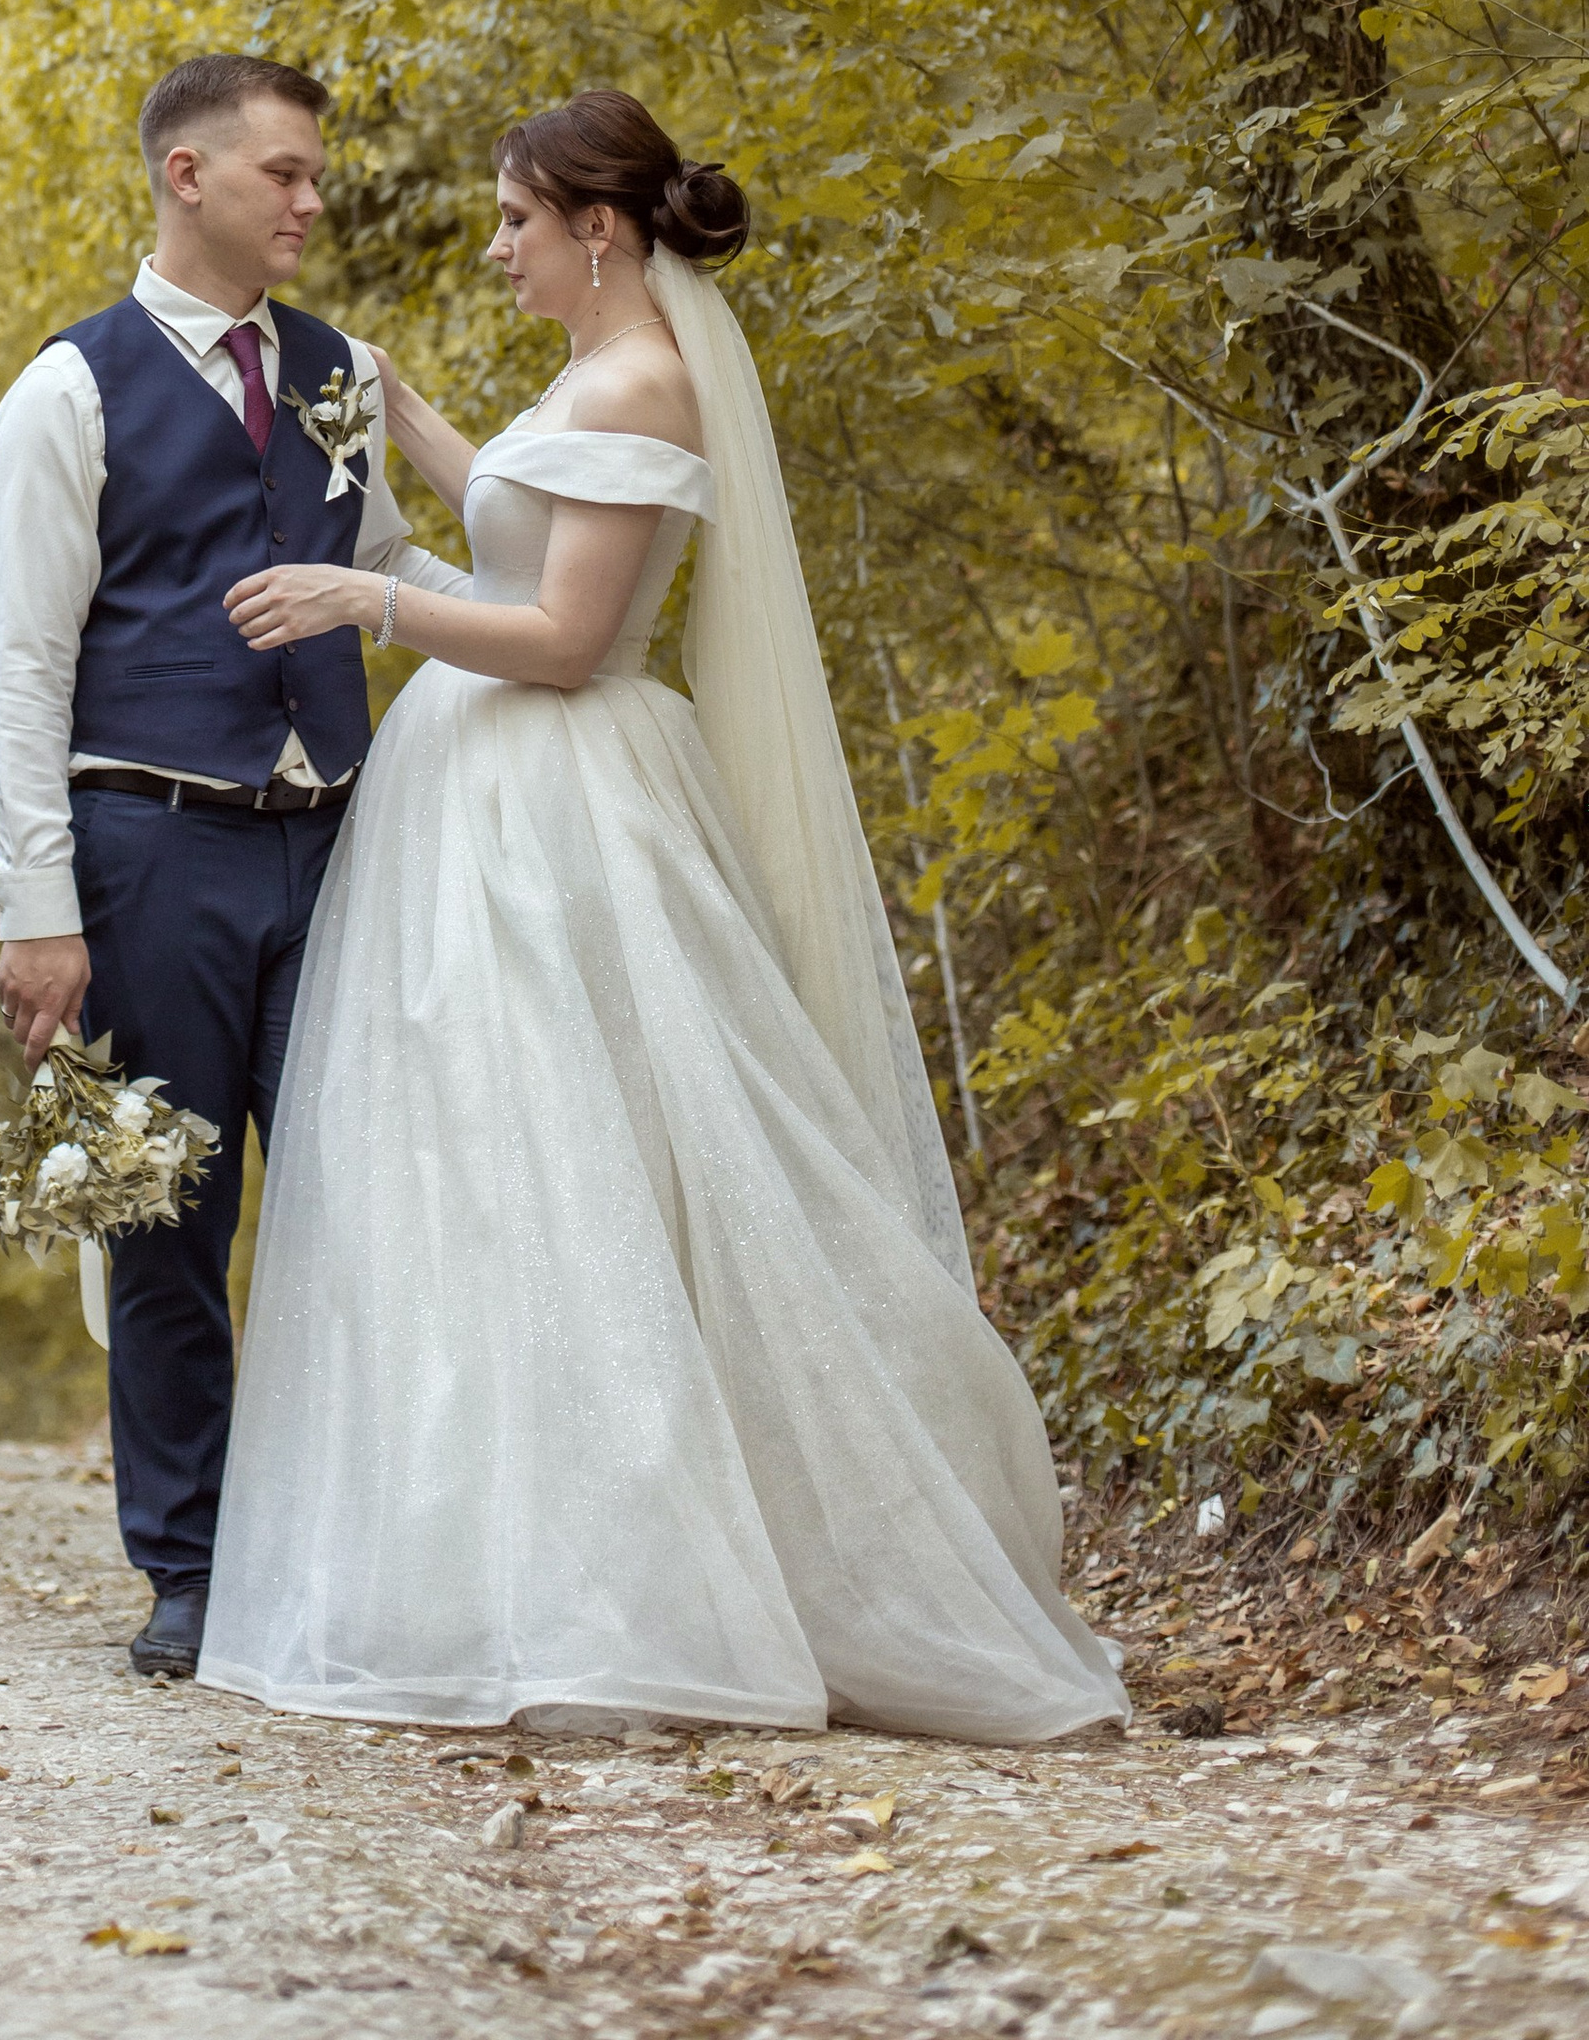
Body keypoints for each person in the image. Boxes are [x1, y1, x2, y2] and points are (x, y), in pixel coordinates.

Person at [197, 88, 1128, 1740]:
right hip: (482, 805)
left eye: (515, 223)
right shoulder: (591, 381)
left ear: (599, 230)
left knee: (605, 1171)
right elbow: (525, 505)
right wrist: (408, 411)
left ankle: (652, 1579)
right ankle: (491, 1564)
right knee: (496, 1181)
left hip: (570, 805)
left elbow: (563, 631)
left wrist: (369, 597)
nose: (498, 250)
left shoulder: (648, 384)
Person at [0, 54, 464, 1680]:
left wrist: (551, 611)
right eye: (287, 173)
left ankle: (359, 1550)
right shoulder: (69, 388)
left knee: (367, 1199)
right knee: (163, 1219)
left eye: (315, 175)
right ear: (188, 177)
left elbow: (387, 562)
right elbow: (25, 665)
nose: (313, 200)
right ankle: (186, 1569)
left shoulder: (337, 371)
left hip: (339, 836)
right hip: (144, 852)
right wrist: (36, 906)